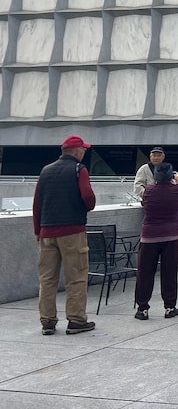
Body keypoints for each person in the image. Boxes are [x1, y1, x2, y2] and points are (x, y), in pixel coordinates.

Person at [33, 135, 97, 335]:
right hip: (72, 232)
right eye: (83, 150)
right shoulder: (79, 169)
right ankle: (77, 320)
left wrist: (38, 231)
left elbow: (37, 204)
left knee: (47, 279)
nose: (84, 153)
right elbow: (88, 198)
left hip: (47, 232)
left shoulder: (46, 171)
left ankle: (48, 322)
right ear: (76, 151)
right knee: (76, 277)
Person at [134, 162, 178, 320]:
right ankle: (169, 307)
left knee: (145, 273)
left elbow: (145, 199)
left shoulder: (149, 191)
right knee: (169, 273)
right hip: (171, 236)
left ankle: (142, 308)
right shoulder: (176, 190)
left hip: (149, 236)